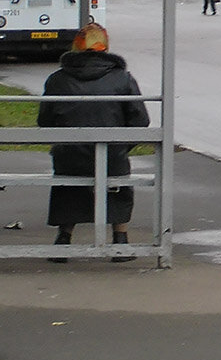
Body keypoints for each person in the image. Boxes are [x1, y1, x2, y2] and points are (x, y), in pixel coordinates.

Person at [39, 22, 150, 263]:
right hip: (112, 156)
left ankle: (63, 240)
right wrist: (121, 147)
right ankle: (120, 240)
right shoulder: (123, 78)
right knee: (118, 181)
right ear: (105, 47)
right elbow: (140, 120)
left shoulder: (57, 80)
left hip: (70, 156)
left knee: (67, 184)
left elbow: (44, 121)